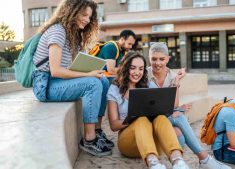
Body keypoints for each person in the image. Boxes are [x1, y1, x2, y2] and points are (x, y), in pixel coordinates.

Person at [32, 0, 112, 157]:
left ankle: (97, 130)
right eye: (84, 15)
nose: (87, 20)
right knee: (93, 83)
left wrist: (89, 69)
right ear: (71, 11)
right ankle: (89, 139)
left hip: (58, 82)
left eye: (89, 17)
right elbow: (55, 71)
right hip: (46, 85)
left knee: (103, 80)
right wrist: (87, 74)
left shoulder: (72, 34)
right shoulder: (57, 31)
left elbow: (69, 67)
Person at [147, 42, 231, 169]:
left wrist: (176, 82)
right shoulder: (144, 75)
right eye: (154, 59)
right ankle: (204, 159)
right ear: (149, 58)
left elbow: (174, 104)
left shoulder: (172, 76)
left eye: (161, 59)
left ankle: (186, 162)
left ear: (168, 59)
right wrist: (173, 112)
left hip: (166, 118)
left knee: (179, 133)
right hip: (151, 118)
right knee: (179, 117)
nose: (157, 63)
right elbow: (147, 105)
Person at [107, 51, 190, 169]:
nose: (137, 73)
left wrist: (176, 81)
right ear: (125, 68)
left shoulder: (148, 84)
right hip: (129, 143)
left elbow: (167, 106)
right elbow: (114, 125)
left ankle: (178, 161)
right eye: (133, 68)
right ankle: (153, 164)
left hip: (154, 142)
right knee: (140, 119)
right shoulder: (115, 89)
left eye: (141, 69)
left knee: (160, 117)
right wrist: (133, 118)